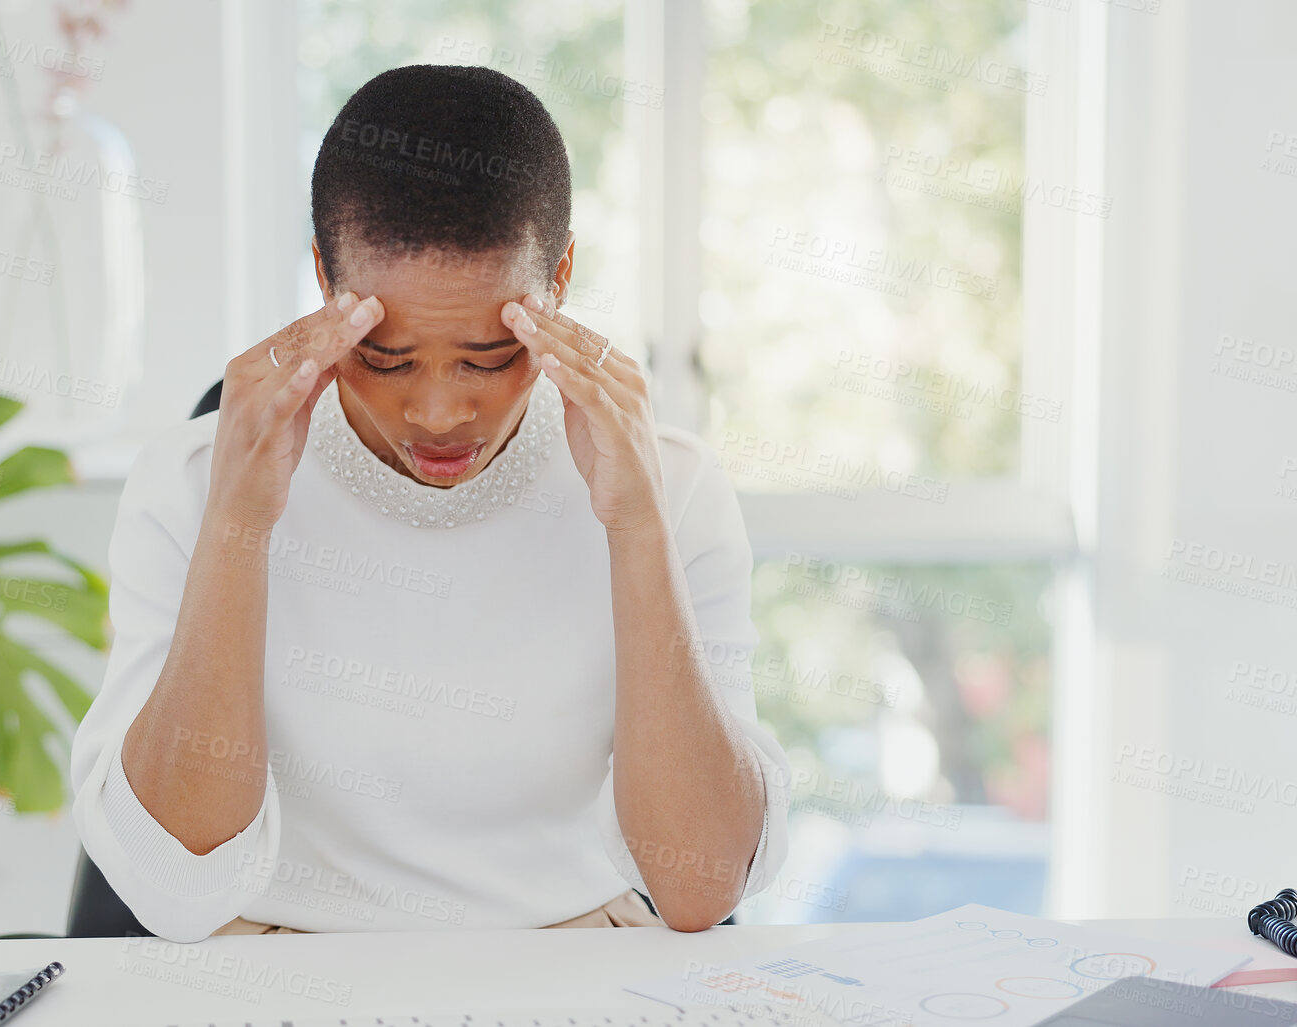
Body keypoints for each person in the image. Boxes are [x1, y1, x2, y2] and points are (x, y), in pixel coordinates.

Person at [69, 63, 791, 943]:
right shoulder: (193, 481)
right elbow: (172, 888)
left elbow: (701, 888)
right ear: (324, 281)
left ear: (559, 276)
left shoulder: (669, 487)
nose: (440, 412)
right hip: (280, 970)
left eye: (488, 357)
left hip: (568, 965)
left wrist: (635, 529)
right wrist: (239, 525)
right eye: (385, 357)